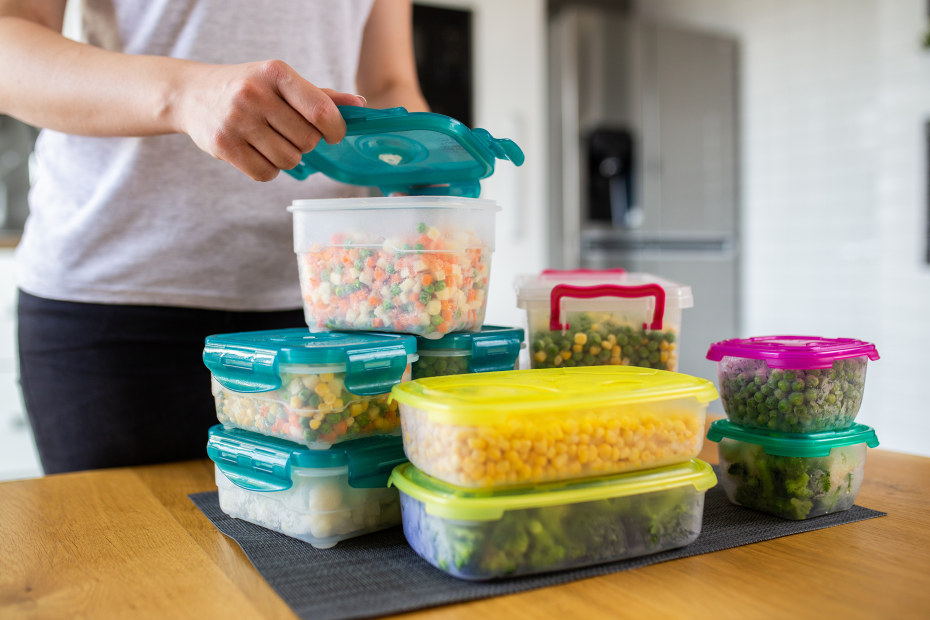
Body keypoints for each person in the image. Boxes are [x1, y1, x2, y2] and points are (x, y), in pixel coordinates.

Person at [0, 0, 429, 474]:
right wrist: (188, 92)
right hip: (115, 301)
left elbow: (385, 82)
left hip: (335, 306)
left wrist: (429, 179)